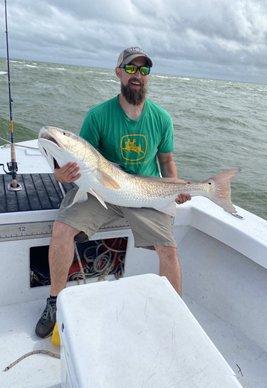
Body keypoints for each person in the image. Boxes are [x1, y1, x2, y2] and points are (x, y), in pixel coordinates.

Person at [35, 47, 191, 338]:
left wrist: (175, 188)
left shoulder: (162, 119)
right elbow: (72, 160)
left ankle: (174, 315)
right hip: (99, 192)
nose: (137, 75)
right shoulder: (98, 116)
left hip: (143, 193)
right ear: (118, 72)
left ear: (148, 78)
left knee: (169, 248)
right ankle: (55, 301)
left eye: (143, 71)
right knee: (61, 229)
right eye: (131, 68)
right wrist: (60, 174)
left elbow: (167, 161)